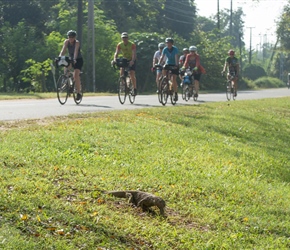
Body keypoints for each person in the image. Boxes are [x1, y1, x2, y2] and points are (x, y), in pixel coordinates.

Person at [59, 30, 83, 101]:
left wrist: (74, 59)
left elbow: (76, 51)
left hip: (78, 59)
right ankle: (67, 82)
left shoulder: (77, 42)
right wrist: (59, 57)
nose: (70, 38)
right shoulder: (66, 42)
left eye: (72, 37)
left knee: (76, 75)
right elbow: (63, 50)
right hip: (70, 58)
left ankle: (78, 92)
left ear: (75, 37)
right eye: (69, 37)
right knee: (66, 67)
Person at [158, 37, 179, 102]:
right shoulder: (165, 49)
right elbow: (162, 56)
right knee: (164, 68)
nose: (168, 44)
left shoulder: (175, 49)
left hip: (174, 64)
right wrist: (159, 63)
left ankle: (175, 93)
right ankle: (165, 80)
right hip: (168, 63)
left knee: (174, 79)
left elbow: (176, 57)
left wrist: (176, 65)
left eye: (169, 43)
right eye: (167, 43)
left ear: (172, 44)